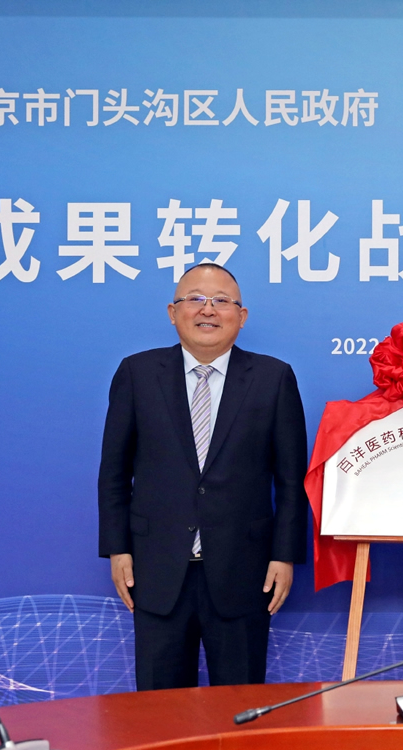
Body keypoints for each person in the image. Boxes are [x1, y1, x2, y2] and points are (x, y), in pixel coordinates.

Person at [98, 262, 307, 690]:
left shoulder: (273, 378)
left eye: (221, 301)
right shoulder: (137, 374)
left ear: (241, 316)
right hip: (156, 571)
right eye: (195, 298)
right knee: (159, 711)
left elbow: (291, 481)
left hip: (244, 572)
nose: (207, 309)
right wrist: (118, 549)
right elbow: (114, 473)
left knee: (240, 705)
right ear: (173, 312)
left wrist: (284, 556)